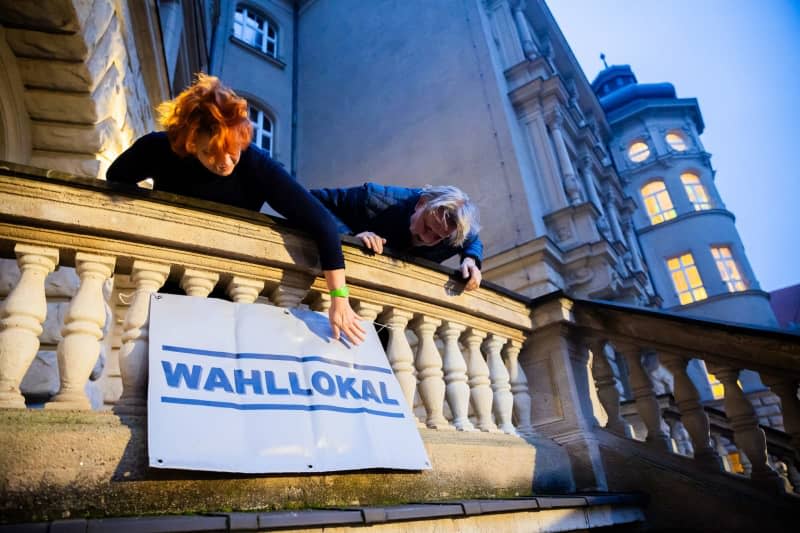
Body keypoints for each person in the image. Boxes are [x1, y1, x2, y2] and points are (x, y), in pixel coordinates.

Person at [106, 73, 365, 345]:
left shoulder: (255, 164)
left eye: (233, 151)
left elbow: (322, 223)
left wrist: (339, 299)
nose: (225, 163)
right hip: (165, 280)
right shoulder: (159, 148)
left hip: (226, 290)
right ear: (190, 142)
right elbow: (116, 179)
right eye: (210, 153)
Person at [311, 183, 483, 290]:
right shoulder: (375, 197)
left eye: (438, 237)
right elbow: (312, 201)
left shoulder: (453, 234)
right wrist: (350, 236)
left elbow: (473, 240)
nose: (427, 239)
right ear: (421, 203)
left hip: (388, 295)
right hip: (340, 280)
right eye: (427, 226)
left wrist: (470, 260)